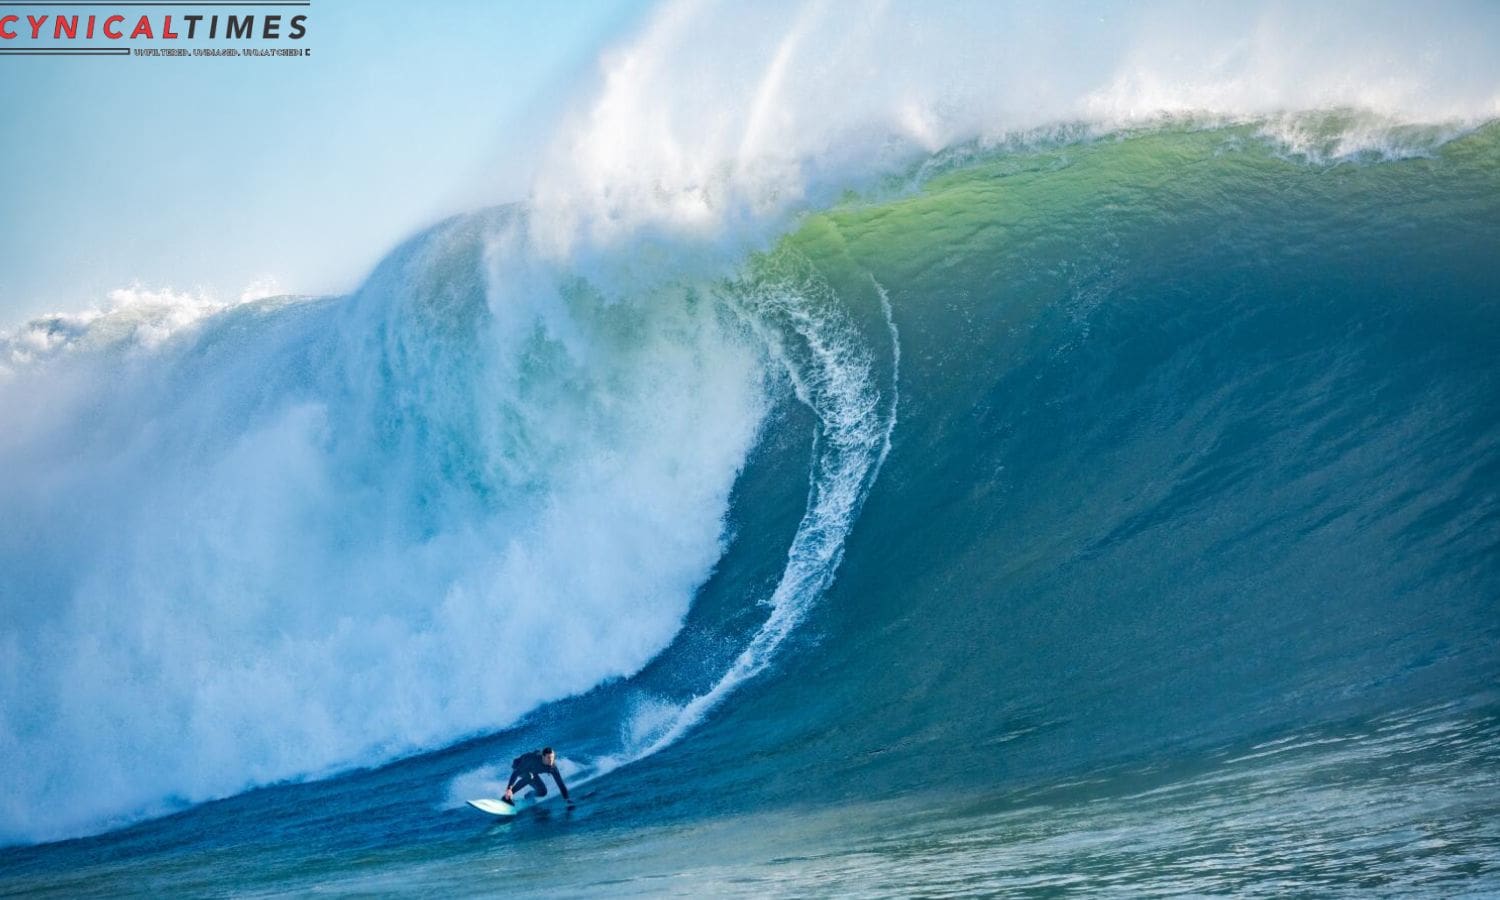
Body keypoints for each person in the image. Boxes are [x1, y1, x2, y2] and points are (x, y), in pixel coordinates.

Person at [503, 747, 571, 806]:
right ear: (543, 757)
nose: (551, 760)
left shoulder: (552, 767)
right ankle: (506, 797)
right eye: (549, 758)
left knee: (543, 791)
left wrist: (567, 799)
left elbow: (560, 784)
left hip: (531, 771)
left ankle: (529, 796)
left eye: (553, 757)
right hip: (519, 765)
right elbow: (516, 772)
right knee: (529, 777)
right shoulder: (533, 760)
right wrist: (509, 788)